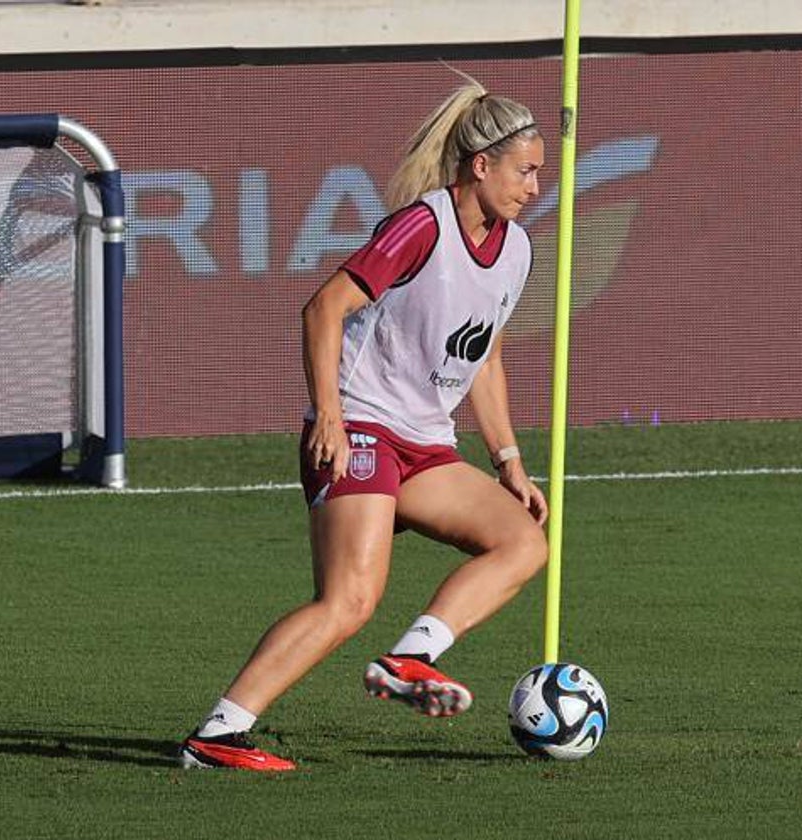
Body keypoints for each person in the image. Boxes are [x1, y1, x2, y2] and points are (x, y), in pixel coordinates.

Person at [179, 82, 550, 772]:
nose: (535, 186)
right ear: (481, 166)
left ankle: (411, 658)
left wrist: (509, 461)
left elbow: (486, 356)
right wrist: (329, 413)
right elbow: (322, 310)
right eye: (525, 171)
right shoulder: (421, 226)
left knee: (524, 543)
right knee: (349, 599)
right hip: (362, 432)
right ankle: (217, 736)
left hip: (425, 446)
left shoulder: (518, 251)